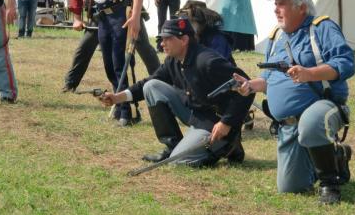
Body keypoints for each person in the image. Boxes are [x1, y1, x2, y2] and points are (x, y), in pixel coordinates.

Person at [233, 0, 355, 204]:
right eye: (275, 4)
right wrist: (250, 85)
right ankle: (335, 157)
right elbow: (269, 80)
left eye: (282, 4)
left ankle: (330, 183)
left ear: (302, 7)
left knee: (311, 123)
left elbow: (346, 63)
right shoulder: (276, 37)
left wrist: (310, 73)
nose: (275, 9)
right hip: (288, 124)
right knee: (291, 188)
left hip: (324, 107)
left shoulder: (321, 28)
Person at [100, 18, 254, 166]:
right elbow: (147, 83)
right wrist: (117, 98)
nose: (162, 43)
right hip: (195, 113)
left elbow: (248, 88)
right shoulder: (173, 60)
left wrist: (226, 123)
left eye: (167, 38)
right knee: (152, 87)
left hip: (214, 122)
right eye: (162, 39)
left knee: (177, 161)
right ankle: (172, 146)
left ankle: (227, 146)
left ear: (184, 40)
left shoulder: (207, 61)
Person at [62, 0, 160, 92]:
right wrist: (76, 19)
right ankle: (71, 83)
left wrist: (135, 15)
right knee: (84, 47)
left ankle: (161, 81)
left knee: (144, 47)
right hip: (101, 15)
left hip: (128, 11)